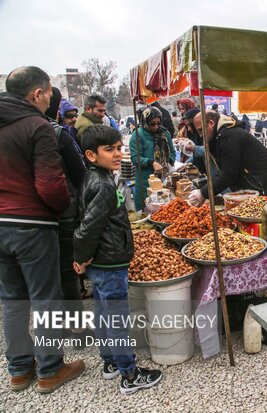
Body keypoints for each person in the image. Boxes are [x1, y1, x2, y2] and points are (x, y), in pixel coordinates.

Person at [0, 66, 85, 393]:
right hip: (32, 225)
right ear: (37, 93)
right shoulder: (37, 126)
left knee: (12, 300)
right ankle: (50, 369)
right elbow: (51, 187)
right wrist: (64, 208)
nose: (51, 100)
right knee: (45, 297)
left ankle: (20, 370)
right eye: (49, 93)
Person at [73, 125, 163, 394]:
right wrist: (82, 256)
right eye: (109, 149)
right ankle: (129, 374)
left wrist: (84, 257)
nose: (117, 154)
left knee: (102, 315)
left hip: (101, 262)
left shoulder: (94, 178)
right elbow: (89, 227)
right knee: (117, 321)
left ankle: (110, 361)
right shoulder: (102, 185)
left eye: (118, 147)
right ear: (91, 155)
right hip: (109, 263)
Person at [45, 88, 91, 346]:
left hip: (22, 217)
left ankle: (55, 332)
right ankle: (77, 332)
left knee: (41, 280)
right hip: (60, 214)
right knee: (67, 272)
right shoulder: (56, 134)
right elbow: (80, 175)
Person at [187, 111, 267, 205]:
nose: (201, 136)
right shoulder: (222, 136)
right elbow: (224, 169)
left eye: (201, 131)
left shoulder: (229, 135)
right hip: (259, 182)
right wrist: (206, 189)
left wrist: (204, 193)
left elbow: (229, 173)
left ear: (211, 123)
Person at [129, 107, 176, 211]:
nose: (156, 127)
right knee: (145, 208)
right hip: (145, 178)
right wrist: (151, 163)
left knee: (164, 210)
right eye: (152, 124)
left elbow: (172, 152)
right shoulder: (137, 135)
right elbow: (135, 158)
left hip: (164, 177)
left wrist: (169, 162)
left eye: (158, 123)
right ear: (145, 122)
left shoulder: (165, 133)